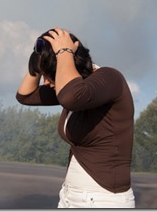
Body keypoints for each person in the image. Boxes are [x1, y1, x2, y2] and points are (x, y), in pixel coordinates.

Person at [16, 27, 135, 208]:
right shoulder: (74, 88)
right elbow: (25, 95)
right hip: (69, 197)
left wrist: (64, 51)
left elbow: (71, 98)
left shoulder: (110, 78)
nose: (46, 83)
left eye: (49, 77)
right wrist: (39, 63)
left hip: (104, 201)